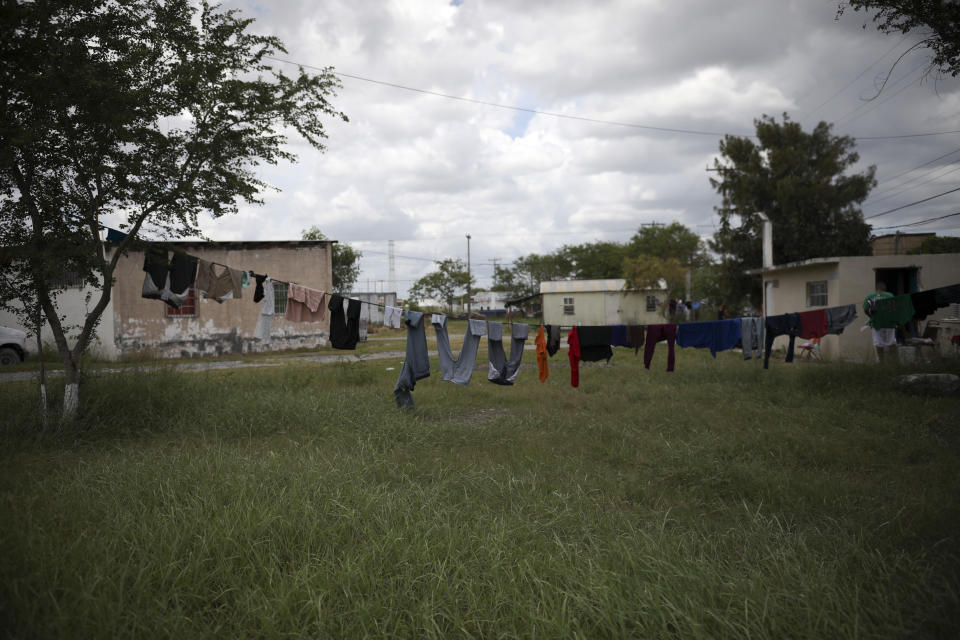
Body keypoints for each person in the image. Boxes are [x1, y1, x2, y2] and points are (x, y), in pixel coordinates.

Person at [864, 281, 896, 363]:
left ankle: (881, 361)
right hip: (889, 322)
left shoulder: (870, 296)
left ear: (876, 289)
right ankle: (894, 361)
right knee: (891, 341)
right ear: (885, 289)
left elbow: (866, 309)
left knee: (878, 342)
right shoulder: (890, 295)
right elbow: (894, 309)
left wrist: (871, 316)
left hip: (877, 322)